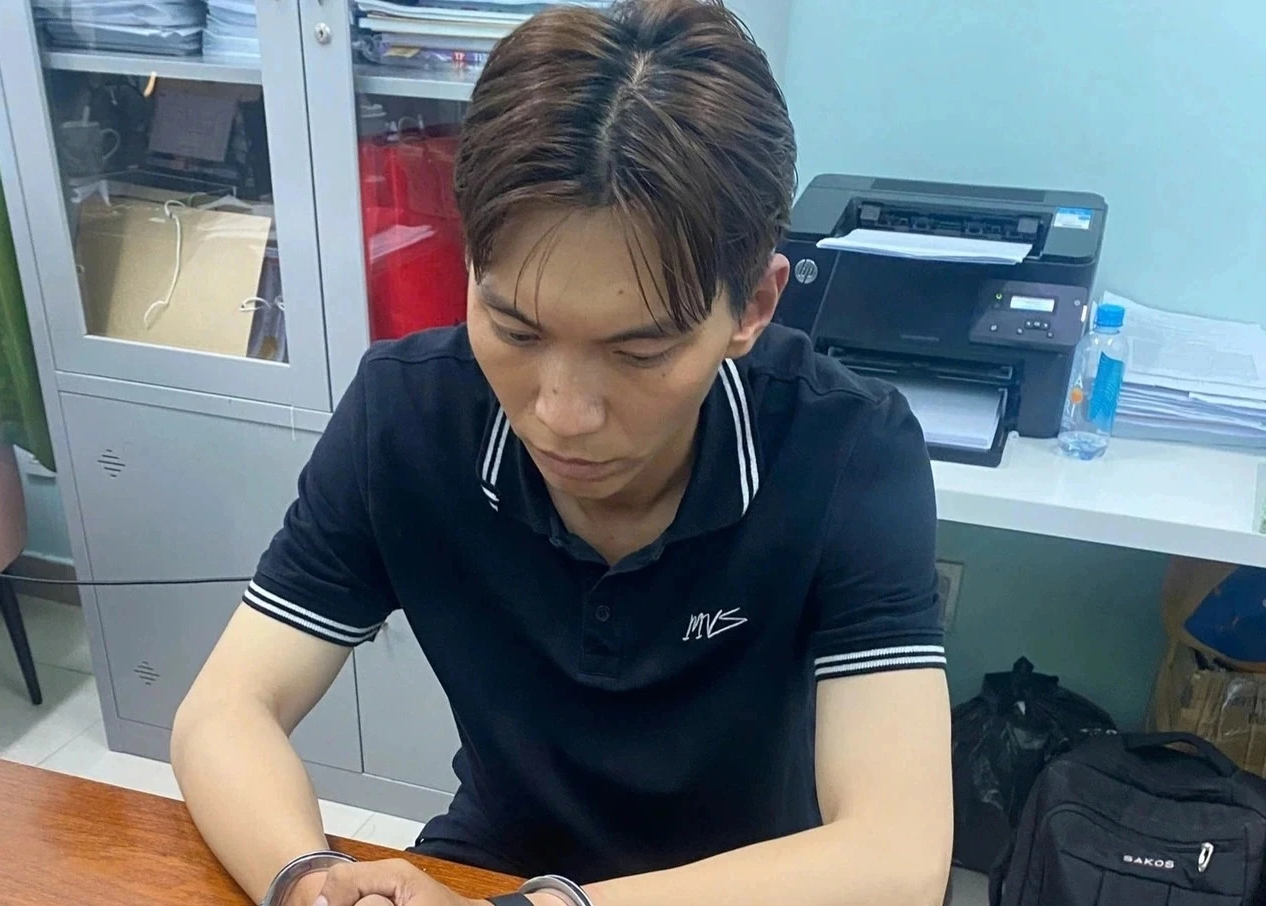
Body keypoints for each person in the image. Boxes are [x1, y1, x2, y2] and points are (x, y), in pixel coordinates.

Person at [170, 1, 952, 904]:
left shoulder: (848, 449)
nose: (562, 414)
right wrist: (307, 878)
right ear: (469, 269)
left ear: (753, 308)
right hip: (495, 863)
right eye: (516, 329)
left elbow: (898, 857)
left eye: (639, 352)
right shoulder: (407, 419)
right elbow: (224, 710)